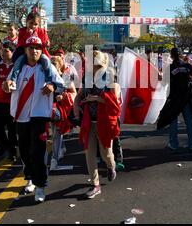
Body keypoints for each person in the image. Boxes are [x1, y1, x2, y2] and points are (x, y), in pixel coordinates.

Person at [9, 36, 64, 203]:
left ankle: (40, 185)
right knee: (24, 151)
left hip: (39, 115)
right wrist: (7, 85)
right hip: (21, 116)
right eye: (31, 47)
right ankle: (31, 178)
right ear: (26, 50)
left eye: (38, 48)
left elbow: (61, 84)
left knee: (38, 152)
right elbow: (8, 84)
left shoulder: (46, 68)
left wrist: (53, 87)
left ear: (42, 50)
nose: (34, 51)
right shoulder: (18, 68)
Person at [73, 50, 120, 199]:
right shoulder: (87, 78)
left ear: (104, 64)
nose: (95, 68)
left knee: (106, 154)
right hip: (88, 122)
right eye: (93, 64)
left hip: (104, 122)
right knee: (89, 154)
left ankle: (111, 166)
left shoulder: (111, 78)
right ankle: (95, 185)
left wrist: (96, 98)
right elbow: (80, 95)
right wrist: (76, 105)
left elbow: (115, 103)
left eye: (98, 64)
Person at [157, 47, 192, 151]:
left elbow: (164, 83)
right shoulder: (187, 66)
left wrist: (160, 78)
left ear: (171, 56)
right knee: (189, 122)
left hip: (175, 99)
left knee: (173, 122)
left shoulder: (170, 68)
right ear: (180, 55)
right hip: (187, 98)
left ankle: (174, 144)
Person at [50, 55, 77, 171]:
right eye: (51, 64)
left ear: (60, 65)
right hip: (48, 109)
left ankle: (54, 159)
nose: (52, 66)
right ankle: (61, 149)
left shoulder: (65, 77)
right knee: (55, 133)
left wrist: (64, 96)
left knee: (57, 133)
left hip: (60, 110)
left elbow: (74, 93)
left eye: (55, 64)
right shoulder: (47, 76)